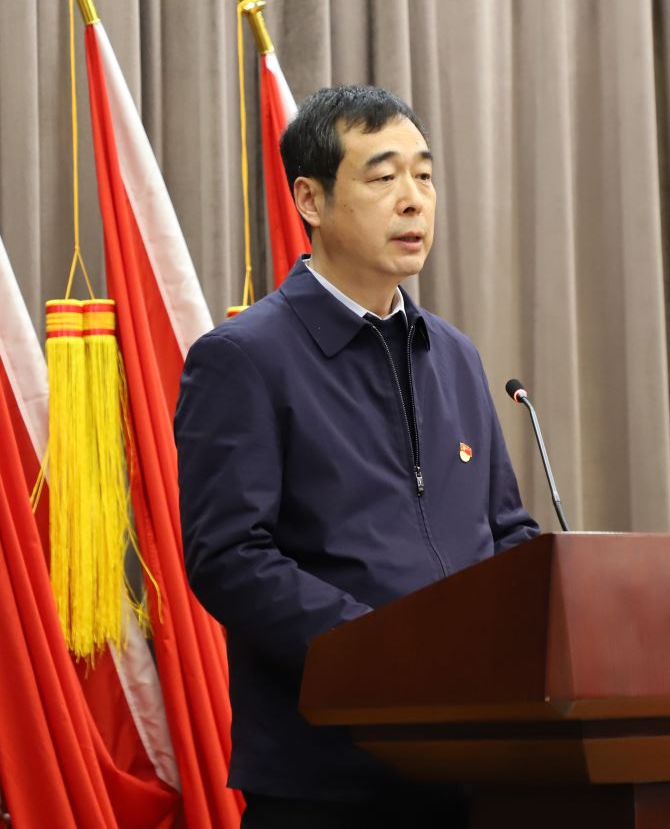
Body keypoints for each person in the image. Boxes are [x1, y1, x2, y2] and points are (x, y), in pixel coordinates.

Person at [175, 84, 541, 828]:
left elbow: (504, 532)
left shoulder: (455, 355)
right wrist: (385, 653)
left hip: (475, 769)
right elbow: (231, 557)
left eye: (424, 176)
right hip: (329, 782)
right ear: (310, 200)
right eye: (383, 177)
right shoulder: (244, 358)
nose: (413, 200)